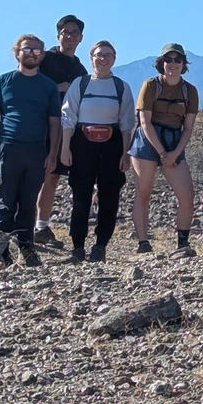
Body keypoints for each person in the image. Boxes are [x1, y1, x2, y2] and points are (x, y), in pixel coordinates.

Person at [0, 34, 62, 267]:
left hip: (37, 150)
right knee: (7, 200)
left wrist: (52, 153)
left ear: (42, 55)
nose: (32, 54)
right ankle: (1, 250)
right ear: (17, 52)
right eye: (27, 50)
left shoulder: (47, 85)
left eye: (37, 51)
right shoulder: (4, 81)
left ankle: (27, 248)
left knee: (28, 202)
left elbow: (55, 122)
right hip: (9, 147)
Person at [60, 41, 136, 263]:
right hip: (82, 143)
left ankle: (100, 245)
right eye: (98, 55)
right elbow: (68, 117)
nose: (103, 59)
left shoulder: (121, 87)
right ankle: (77, 247)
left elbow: (127, 122)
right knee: (81, 196)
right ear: (91, 58)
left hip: (112, 146)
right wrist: (65, 147)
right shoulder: (80, 84)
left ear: (114, 58)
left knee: (109, 196)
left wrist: (126, 153)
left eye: (108, 55)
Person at [129, 43, 199, 256]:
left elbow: (188, 127)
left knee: (187, 195)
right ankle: (143, 243)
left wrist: (175, 153)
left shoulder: (190, 91)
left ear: (183, 64)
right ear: (161, 63)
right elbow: (145, 122)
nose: (173, 64)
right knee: (143, 193)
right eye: (168, 60)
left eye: (178, 60)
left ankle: (182, 243)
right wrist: (161, 153)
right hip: (147, 142)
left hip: (174, 141)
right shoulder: (150, 86)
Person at [34, 15, 88, 249]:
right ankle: (22, 225)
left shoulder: (81, 69)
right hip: (39, 126)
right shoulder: (45, 60)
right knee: (33, 177)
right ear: (58, 36)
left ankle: (41, 227)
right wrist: (56, 88)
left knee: (52, 176)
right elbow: (30, 82)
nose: (69, 36)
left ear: (80, 38)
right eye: (65, 32)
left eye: (74, 32)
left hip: (65, 131)